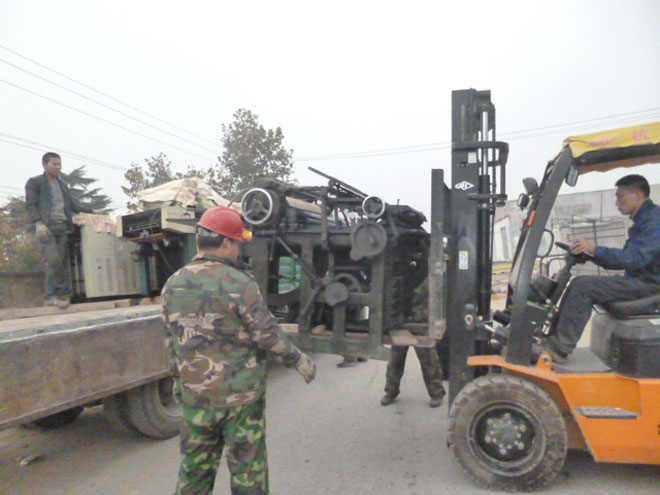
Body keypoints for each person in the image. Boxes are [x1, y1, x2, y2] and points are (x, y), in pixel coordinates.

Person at [161, 205, 316, 495]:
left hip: (196, 397)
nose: (239, 250)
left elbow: (171, 340)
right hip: (240, 401)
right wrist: (299, 359)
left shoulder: (173, 284)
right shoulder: (240, 283)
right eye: (237, 243)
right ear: (225, 242)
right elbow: (266, 334)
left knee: (194, 472)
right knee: (248, 473)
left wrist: (177, 381)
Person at [542, 174, 660, 363]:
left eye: (620, 196)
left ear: (638, 195)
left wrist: (595, 249)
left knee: (583, 287)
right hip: (643, 281)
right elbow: (626, 259)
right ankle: (552, 341)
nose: (616, 202)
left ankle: (558, 349)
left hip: (650, 286)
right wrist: (591, 254)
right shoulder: (645, 220)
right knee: (580, 283)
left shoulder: (655, 221)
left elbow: (634, 259)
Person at [25, 152, 95, 308]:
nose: (58, 167)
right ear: (45, 165)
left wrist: (93, 211)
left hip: (62, 227)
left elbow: (74, 206)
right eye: (54, 164)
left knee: (61, 262)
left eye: (59, 164)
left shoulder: (62, 185)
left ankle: (56, 296)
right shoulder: (35, 182)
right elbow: (30, 204)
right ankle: (55, 294)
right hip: (46, 227)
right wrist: (38, 223)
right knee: (53, 260)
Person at [380, 345, 446, 408]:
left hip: (422, 333)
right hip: (400, 334)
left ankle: (437, 393)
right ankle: (391, 391)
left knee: (428, 360)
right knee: (395, 361)